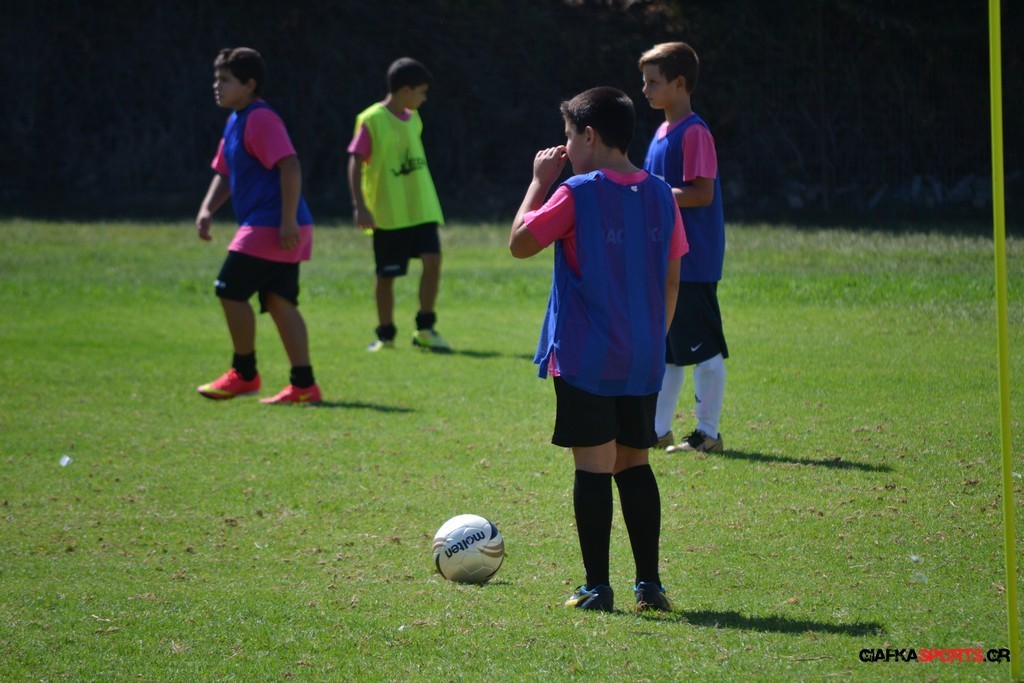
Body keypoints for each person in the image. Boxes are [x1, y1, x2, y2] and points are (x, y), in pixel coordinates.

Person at [509, 87, 688, 612]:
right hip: (643, 356)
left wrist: (539, 182)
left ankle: (596, 587)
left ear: (589, 136)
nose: (565, 149)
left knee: (592, 467)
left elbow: (519, 242)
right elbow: (672, 279)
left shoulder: (576, 193)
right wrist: (651, 339)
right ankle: (649, 585)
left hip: (587, 357)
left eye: (568, 137)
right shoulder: (662, 194)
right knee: (634, 464)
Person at [194, 47, 322, 404]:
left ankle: (245, 373)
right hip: (276, 224)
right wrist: (207, 209)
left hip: (274, 224)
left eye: (225, 79)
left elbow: (290, 165)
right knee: (279, 301)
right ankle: (304, 385)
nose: (216, 85)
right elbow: (225, 172)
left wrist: (287, 220)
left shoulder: (260, 118)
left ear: (250, 84)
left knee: (229, 289)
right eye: (216, 79)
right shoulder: (236, 120)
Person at [639, 41, 728, 453]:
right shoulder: (660, 132)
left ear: (679, 83)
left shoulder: (694, 132)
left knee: (703, 350)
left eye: (653, 82)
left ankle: (708, 434)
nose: (645, 89)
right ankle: (657, 432)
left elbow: (702, 193)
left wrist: (652, 193)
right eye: (644, 81)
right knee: (669, 353)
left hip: (692, 262)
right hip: (665, 260)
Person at [347, 57, 450, 353]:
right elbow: (355, 162)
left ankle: (425, 328)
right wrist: (360, 206)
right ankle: (386, 335)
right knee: (387, 275)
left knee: (433, 261)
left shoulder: (414, 118)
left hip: (421, 207)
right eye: (421, 92)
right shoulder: (372, 119)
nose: (424, 98)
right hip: (388, 212)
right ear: (406, 90)